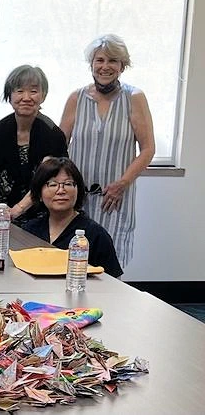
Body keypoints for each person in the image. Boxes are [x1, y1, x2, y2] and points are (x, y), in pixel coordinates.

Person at [60, 35, 154, 267]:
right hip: (76, 199)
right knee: (72, 262)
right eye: (99, 60)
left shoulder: (134, 98)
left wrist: (122, 184)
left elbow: (148, 149)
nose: (105, 66)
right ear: (91, 64)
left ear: (123, 66)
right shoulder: (76, 98)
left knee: (109, 266)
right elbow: (59, 147)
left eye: (113, 60)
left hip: (115, 199)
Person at [0, 65, 68, 220]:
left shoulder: (53, 135)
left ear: (43, 96)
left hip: (44, 217)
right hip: (2, 215)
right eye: (19, 91)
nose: (26, 97)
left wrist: (17, 210)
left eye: (33, 91)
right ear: (10, 95)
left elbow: (48, 179)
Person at [20, 157, 124, 277]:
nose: (61, 191)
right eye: (52, 184)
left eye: (68, 184)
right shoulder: (30, 230)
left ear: (78, 190)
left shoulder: (95, 235)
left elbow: (114, 283)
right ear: (39, 194)